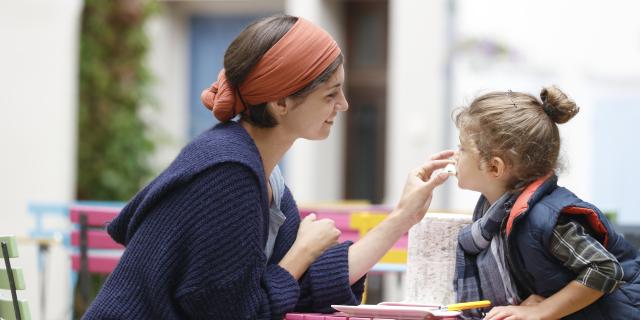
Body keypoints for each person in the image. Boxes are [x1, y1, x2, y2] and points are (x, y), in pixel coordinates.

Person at [84, 14, 454, 319]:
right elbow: (236, 313)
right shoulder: (227, 174)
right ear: (280, 103)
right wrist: (301, 253)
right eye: (330, 94)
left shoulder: (262, 173)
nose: (342, 105)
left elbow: (306, 285)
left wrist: (403, 216)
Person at [451, 86, 640, 320]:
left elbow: (604, 269)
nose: (454, 155)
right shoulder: (495, 216)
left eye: (462, 148)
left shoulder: (547, 218)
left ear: (494, 167)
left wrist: (543, 311)